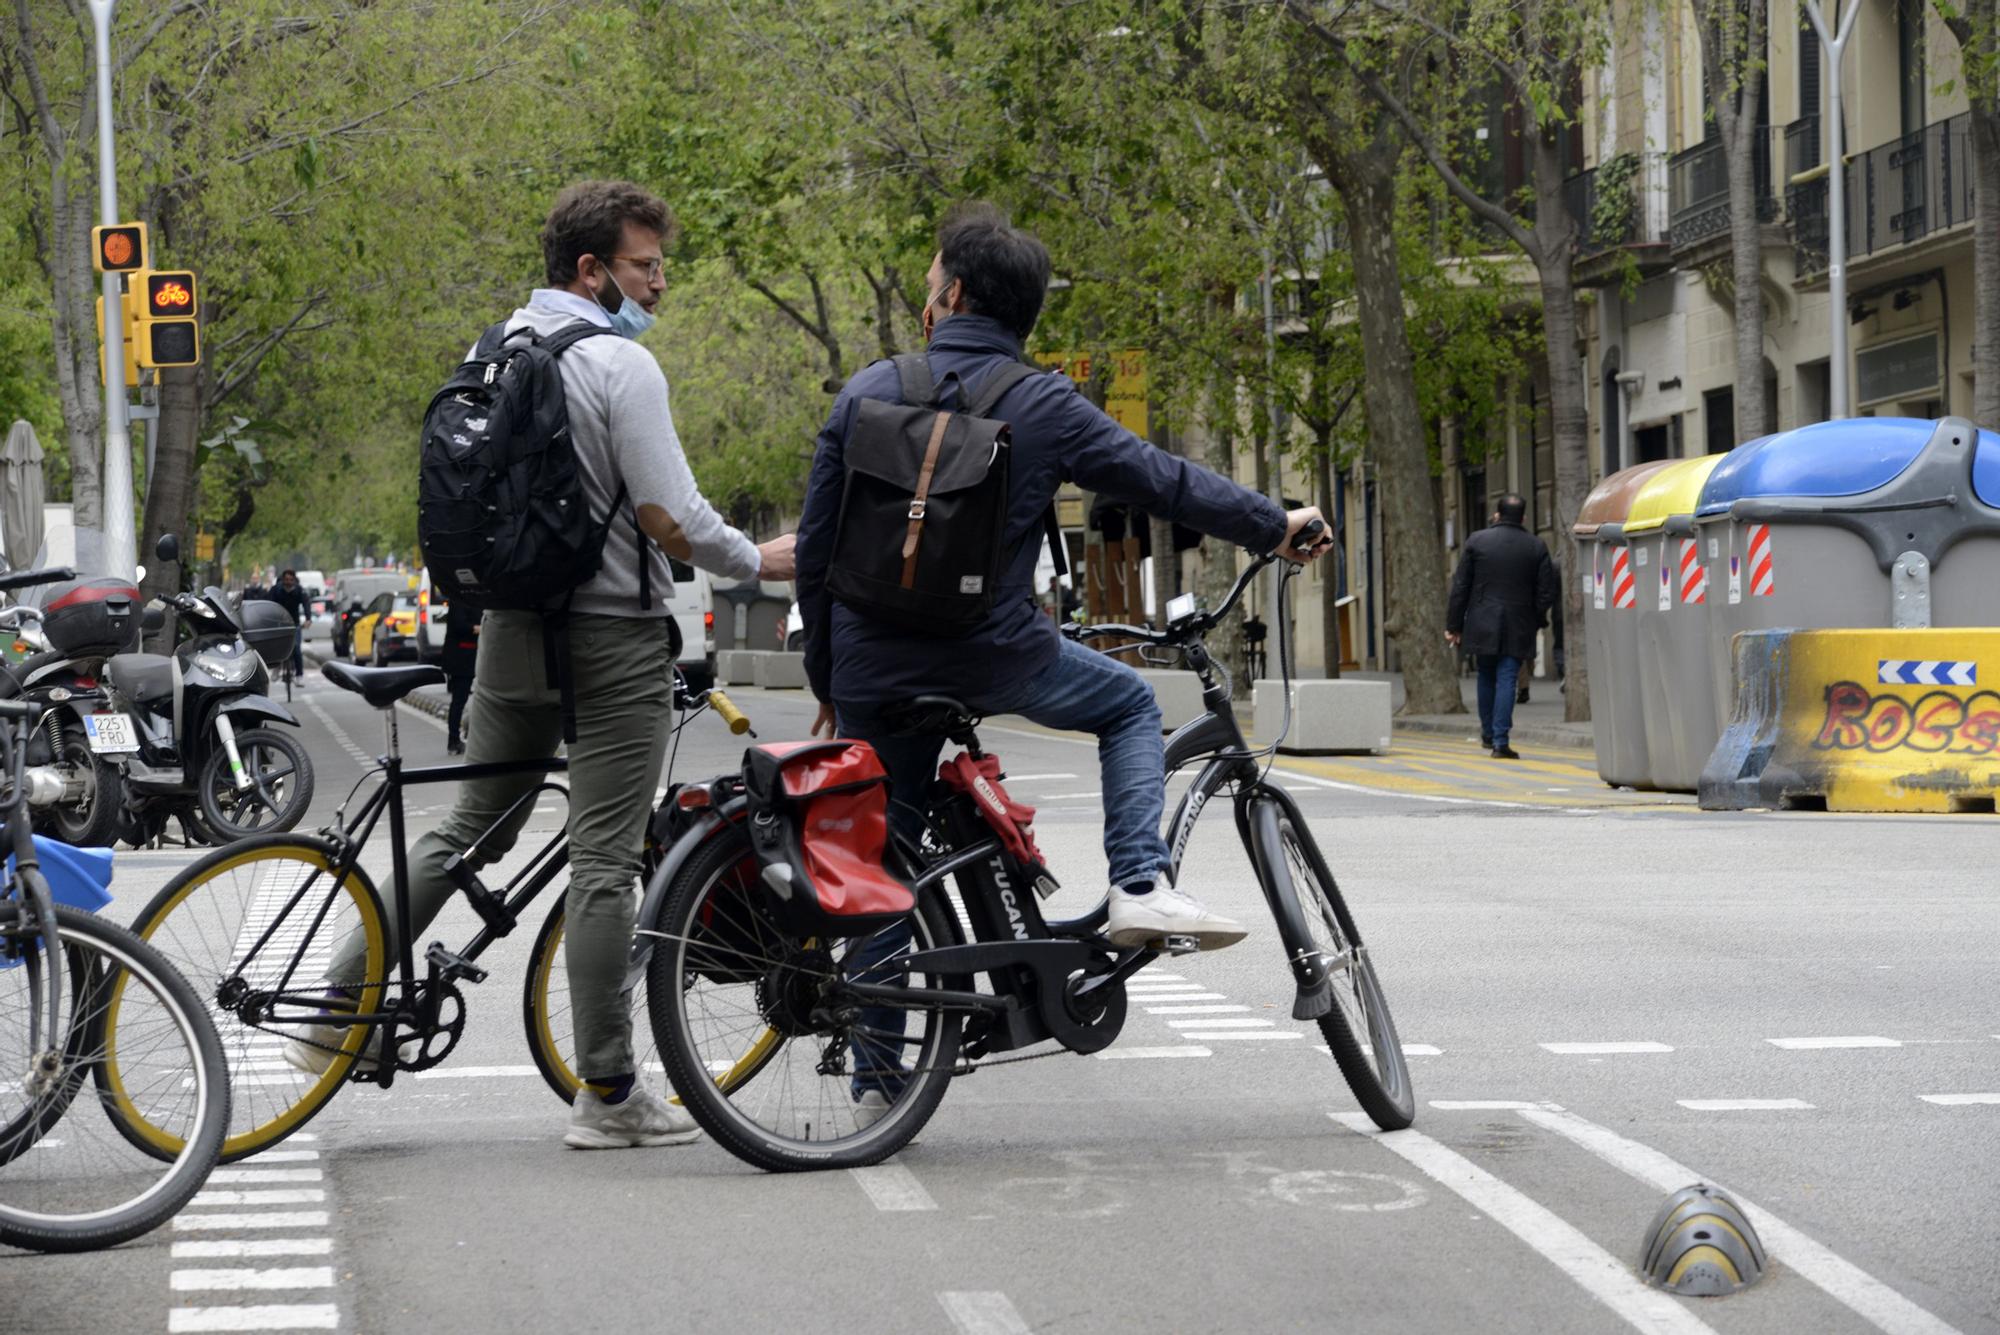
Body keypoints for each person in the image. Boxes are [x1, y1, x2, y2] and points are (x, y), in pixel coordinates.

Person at [795, 205, 1327, 1119]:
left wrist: (831, 683)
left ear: (953, 296)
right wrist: (1272, 525)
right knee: (1124, 704)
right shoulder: (1043, 402)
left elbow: (815, 551)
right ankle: (1137, 880)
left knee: (885, 857)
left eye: (931, 285)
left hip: (872, 665)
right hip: (994, 653)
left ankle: (881, 1078)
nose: (929, 297)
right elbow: (1164, 480)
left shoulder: (867, 390)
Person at [308, 179, 797, 1150]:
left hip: (506, 632)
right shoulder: (618, 366)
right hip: (610, 640)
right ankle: (609, 1094)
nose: (659, 285)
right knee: (606, 863)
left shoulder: (491, 350)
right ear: (592, 269)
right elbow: (666, 517)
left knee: (466, 828)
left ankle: (337, 1008)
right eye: (645, 266)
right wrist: (757, 560)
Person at [1446, 492, 1557, 760]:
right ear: (1524, 517)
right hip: (1519, 622)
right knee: (1508, 677)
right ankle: (1500, 740)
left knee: (1486, 674)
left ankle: (1486, 733)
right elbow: (1546, 592)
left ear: (1497, 515)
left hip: (1482, 619)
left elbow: (1460, 586)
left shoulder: (1477, 541)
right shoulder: (1536, 546)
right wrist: (1538, 618)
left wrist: (1454, 624)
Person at [441, 595, 481, 756]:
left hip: (476, 657)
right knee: (459, 700)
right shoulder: (458, 600)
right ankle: (453, 740)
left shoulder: (479, 600)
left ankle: (473, 737)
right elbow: (459, 625)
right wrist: (479, 628)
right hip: (461, 658)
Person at [268, 570, 308, 679]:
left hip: (294, 623)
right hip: (279, 623)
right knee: (277, 647)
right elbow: (269, 604)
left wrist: (308, 619)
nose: (288, 582)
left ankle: (299, 675)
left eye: (291, 580)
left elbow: (306, 604)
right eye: (286, 580)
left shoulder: (299, 591)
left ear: (294, 580)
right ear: (282, 580)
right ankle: (276, 668)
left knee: (296, 649)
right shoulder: (276, 590)